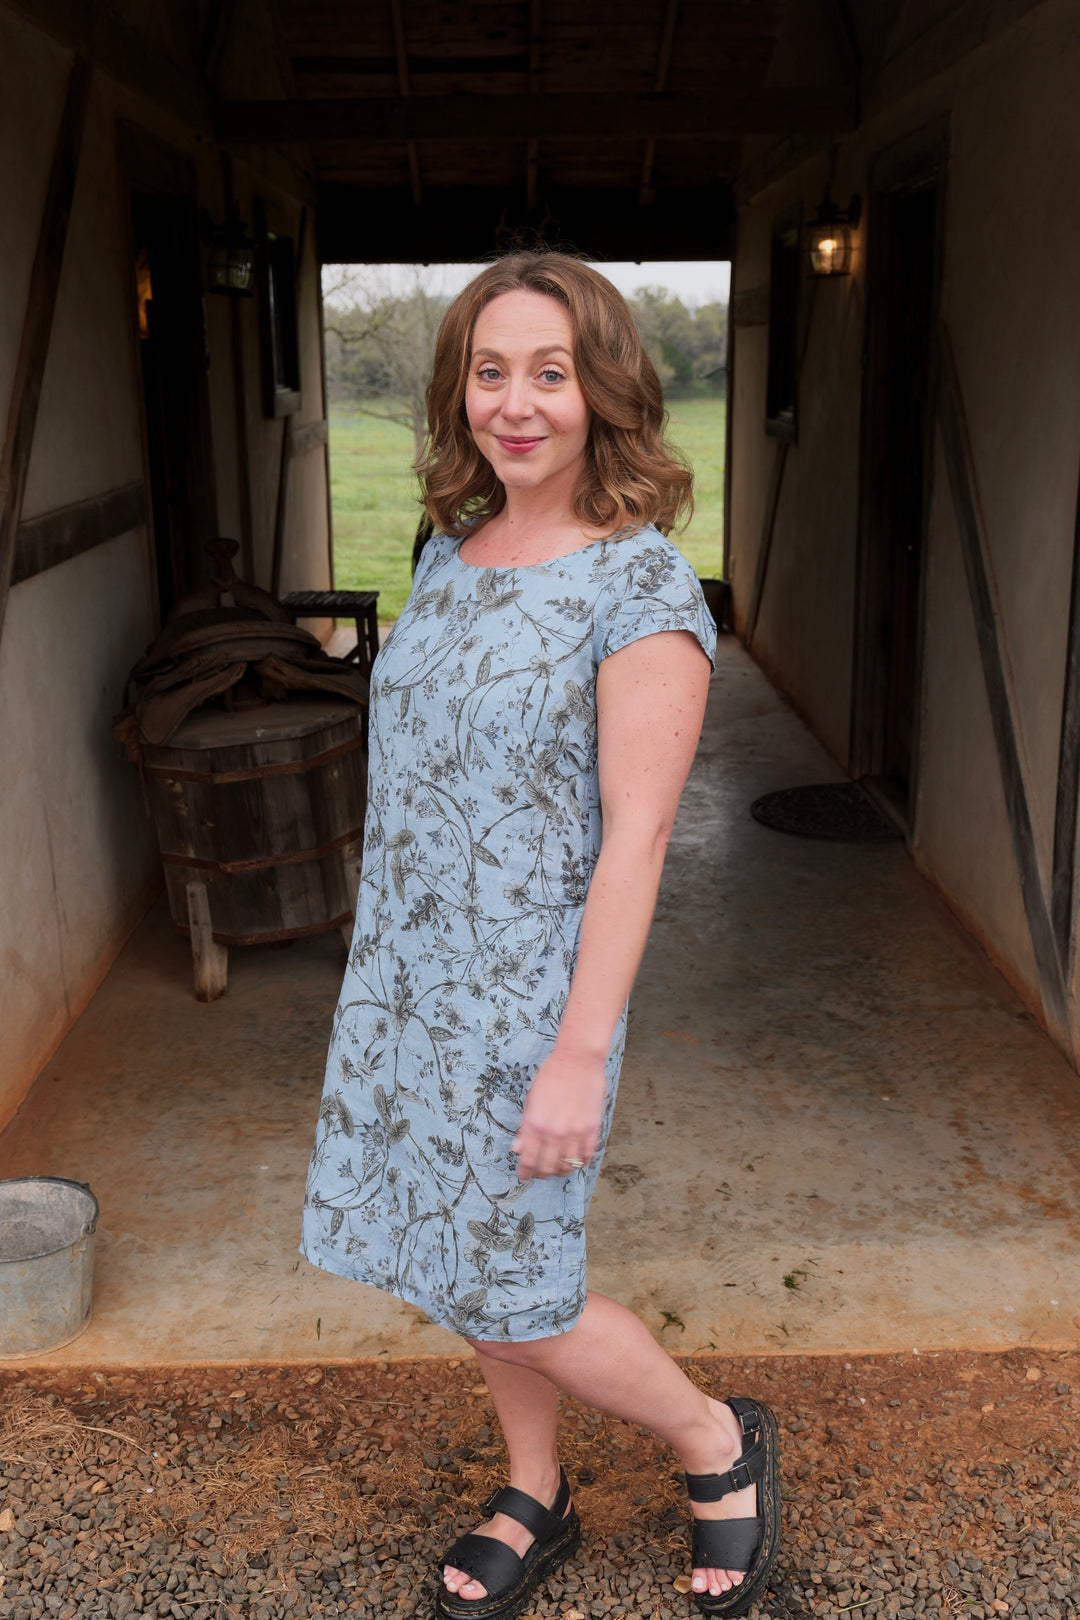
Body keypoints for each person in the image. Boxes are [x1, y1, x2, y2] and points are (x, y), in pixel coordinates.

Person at [300, 251, 780, 1620]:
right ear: (462, 389)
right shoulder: (446, 551)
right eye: (491, 370)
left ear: (603, 392)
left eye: (550, 373)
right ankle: (536, 1486)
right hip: (409, 988)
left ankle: (712, 1440)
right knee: (458, 1264)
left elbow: (634, 842)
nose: (517, 403)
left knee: (519, 1286)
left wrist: (578, 1053)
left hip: (531, 1005)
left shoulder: (637, 590)